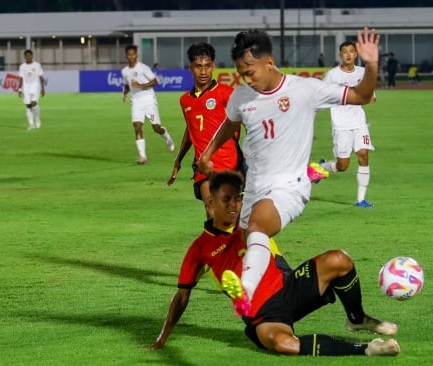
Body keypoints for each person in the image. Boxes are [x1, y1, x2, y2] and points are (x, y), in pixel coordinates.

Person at [197, 27, 380, 316]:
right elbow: (231, 123)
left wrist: (370, 65)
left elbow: (361, 95)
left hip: (289, 187)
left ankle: (245, 293)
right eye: (241, 74)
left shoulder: (305, 89)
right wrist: (208, 152)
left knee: (258, 228)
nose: (246, 80)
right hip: (254, 186)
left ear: (268, 62)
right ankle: (286, 299)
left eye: (249, 72)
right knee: (248, 241)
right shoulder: (242, 95)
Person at [149, 171, 400, 357]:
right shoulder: (199, 249)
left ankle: (356, 318)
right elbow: (182, 295)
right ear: (211, 204)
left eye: (238, 198)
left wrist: (312, 173)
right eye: (227, 200)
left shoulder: (253, 221)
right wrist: (164, 336)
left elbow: (282, 189)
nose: (234, 205)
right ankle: (367, 349)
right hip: (263, 315)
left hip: (288, 287)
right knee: (284, 344)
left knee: (339, 259)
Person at [167, 42, 243, 218]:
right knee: (211, 210)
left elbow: (246, 120)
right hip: (202, 164)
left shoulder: (226, 93)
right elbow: (191, 129)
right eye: (198, 67)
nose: (203, 72)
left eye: (207, 66)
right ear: (191, 68)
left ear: (213, 67)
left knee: (230, 215)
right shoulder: (185, 100)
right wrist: (178, 159)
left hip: (228, 163)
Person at [317, 41, 377, 208]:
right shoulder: (332, 75)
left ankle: (360, 199)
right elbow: (322, 95)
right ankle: (322, 167)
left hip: (359, 123)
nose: (348, 54)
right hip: (340, 125)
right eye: (345, 52)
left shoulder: (363, 73)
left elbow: (370, 95)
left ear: (356, 54)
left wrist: (369, 97)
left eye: (351, 51)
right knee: (342, 166)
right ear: (340, 55)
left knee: (363, 155)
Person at [122, 44, 174, 165]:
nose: (131, 56)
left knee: (156, 128)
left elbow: (156, 81)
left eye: (133, 54)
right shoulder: (124, 71)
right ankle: (143, 157)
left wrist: (141, 86)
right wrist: (125, 92)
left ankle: (167, 138)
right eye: (129, 54)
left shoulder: (143, 68)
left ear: (136, 55)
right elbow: (127, 84)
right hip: (136, 102)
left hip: (149, 101)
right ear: (126, 56)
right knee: (137, 126)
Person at [17, 49, 45, 130]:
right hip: (26, 88)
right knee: (28, 106)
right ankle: (31, 125)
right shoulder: (22, 66)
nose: (28, 57)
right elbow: (21, 78)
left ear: (32, 56)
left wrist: (43, 89)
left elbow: (41, 77)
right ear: (24, 57)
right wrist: (19, 89)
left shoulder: (37, 65)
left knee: (33, 103)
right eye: (26, 55)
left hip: (35, 86)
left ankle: (37, 118)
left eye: (29, 55)